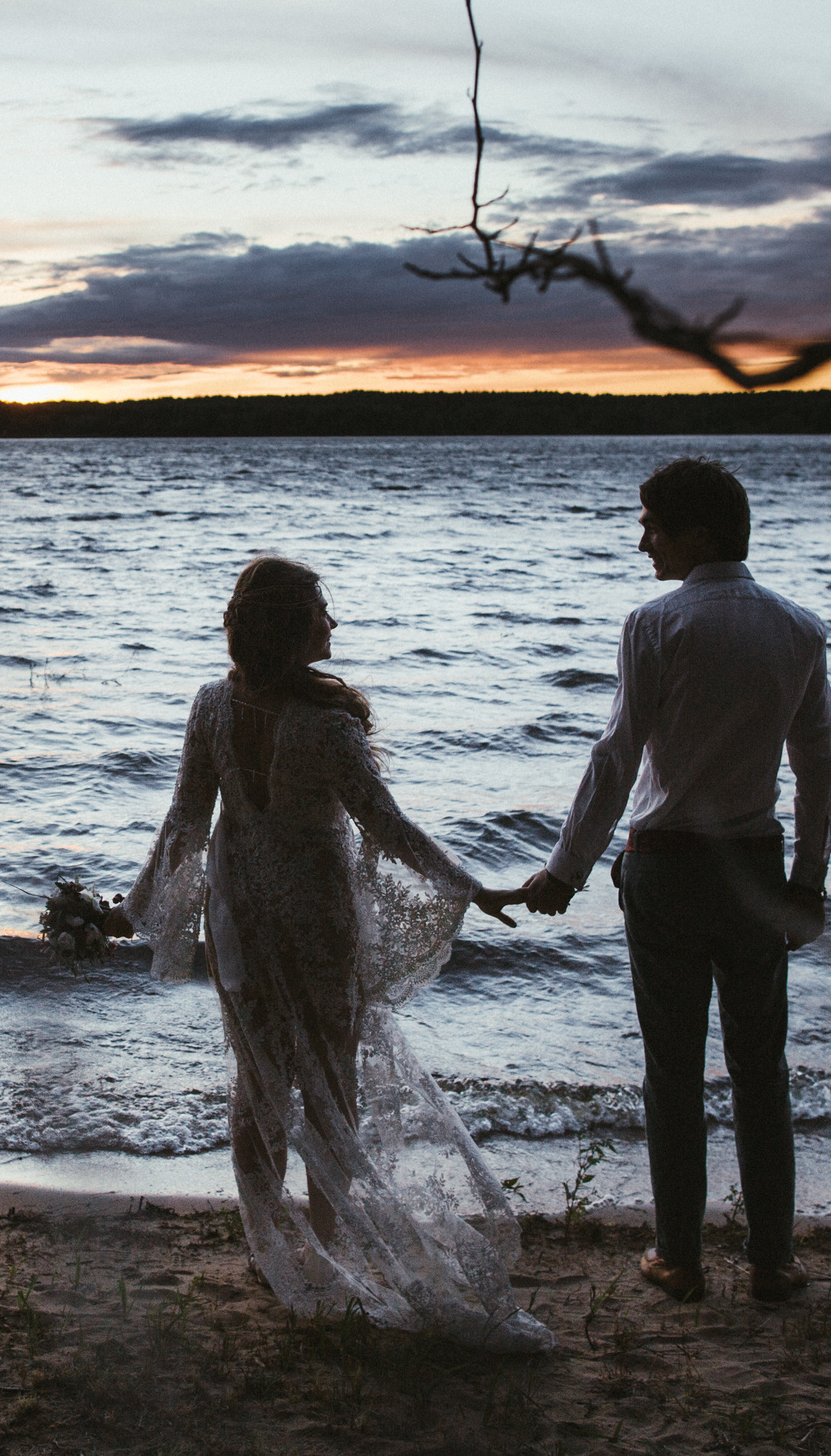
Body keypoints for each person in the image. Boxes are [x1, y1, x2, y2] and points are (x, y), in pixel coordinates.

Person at [115, 555, 553, 1352]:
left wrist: (136, 907)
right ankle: (327, 1241)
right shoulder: (326, 723)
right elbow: (387, 825)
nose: (333, 622)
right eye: (320, 609)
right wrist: (469, 886)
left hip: (240, 915)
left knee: (257, 1076)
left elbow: (184, 821)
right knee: (330, 1083)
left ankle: (269, 1241)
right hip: (315, 916)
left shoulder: (212, 703)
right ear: (290, 626)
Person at [501, 457, 831, 1306]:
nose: (641, 537)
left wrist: (565, 869)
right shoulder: (798, 628)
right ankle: (771, 1259)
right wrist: (809, 881)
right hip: (756, 869)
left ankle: (680, 1256)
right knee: (761, 1066)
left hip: (665, 868)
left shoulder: (655, 624)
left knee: (672, 1068)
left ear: (699, 533)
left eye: (652, 522)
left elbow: (615, 759)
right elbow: (819, 770)